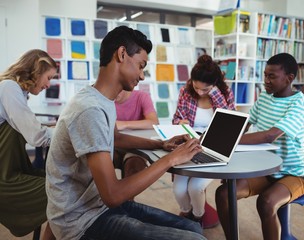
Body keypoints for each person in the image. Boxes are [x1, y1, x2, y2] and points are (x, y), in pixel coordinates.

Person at [45, 25, 206, 240]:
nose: (141, 75)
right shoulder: (89, 109)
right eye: (141, 66)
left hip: (97, 207)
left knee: (194, 229)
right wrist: (170, 160)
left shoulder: (102, 99)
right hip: (82, 222)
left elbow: (115, 138)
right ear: (121, 54)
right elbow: (113, 195)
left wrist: (160, 144)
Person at [215, 53, 304, 240]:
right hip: (265, 171)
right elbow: (244, 124)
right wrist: (219, 137)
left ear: (289, 78)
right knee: (224, 194)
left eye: (271, 76)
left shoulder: (300, 103)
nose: (265, 80)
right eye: (265, 75)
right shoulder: (264, 98)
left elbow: (270, 135)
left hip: (293, 173)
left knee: (266, 202)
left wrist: (227, 140)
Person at [172, 54, 235, 227]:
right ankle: (186, 211)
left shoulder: (225, 93)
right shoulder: (186, 90)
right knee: (178, 189)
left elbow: (230, 122)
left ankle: (197, 217)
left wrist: (214, 94)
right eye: (196, 86)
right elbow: (176, 118)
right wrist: (181, 123)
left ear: (214, 85)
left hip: (215, 146)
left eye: (205, 89)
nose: (199, 92)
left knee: (195, 187)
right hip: (189, 145)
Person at [0, 49, 56, 240]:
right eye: (48, 77)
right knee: (60, 190)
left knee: (55, 181)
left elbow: (31, 128)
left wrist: (52, 128)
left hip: (8, 164)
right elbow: (36, 137)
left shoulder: (17, 91)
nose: (48, 84)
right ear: (37, 71)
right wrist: (67, 131)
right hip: (3, 173)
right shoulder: (9, 87)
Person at [114, 89, 159, 181]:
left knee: (133, 167)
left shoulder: (142, 96)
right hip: (114, 146)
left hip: (137, 148)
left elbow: (154, 122)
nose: (112, 91)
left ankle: (126, 195)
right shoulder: (105, 99)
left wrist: (125, 124)